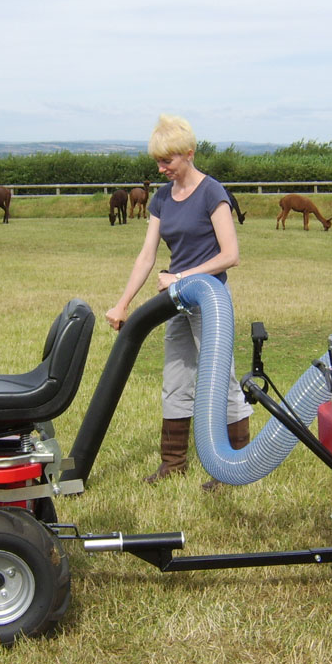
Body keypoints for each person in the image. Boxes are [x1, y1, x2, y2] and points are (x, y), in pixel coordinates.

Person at [106, 115, 253, 491]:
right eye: (158, 161)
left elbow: (230, 254)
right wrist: (122, 304)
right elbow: (146, 256)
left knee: (223, 379)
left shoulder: (211, 192)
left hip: (211, 301)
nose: (161, 168)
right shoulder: (160, 197)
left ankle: (236, 467)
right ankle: (173, 464)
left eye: (167, 161)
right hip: (176, 300)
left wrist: (183, 276)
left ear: (188, 153)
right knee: (175, 380)